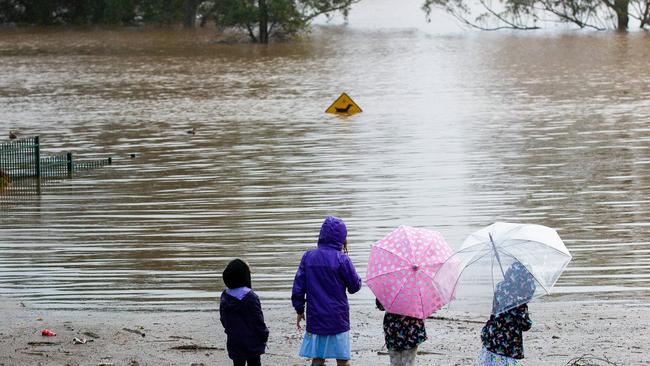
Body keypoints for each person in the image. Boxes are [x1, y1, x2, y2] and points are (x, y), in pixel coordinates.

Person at [292, 216, 363, 366]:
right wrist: (357, 278)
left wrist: (299, 309)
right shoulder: (342, 259)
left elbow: (298, 287)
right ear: (342, 239)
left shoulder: (308, 257)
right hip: (338, 318)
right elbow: (354, 287)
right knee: (342, 359)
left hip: (316, 317)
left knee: (317, 358)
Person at [477, 262, 537, 366]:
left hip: (492, 338)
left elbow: (494, 310)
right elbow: (526, 325)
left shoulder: (500, 288)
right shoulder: (519, 300)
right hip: (508, 346)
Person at [219, 259, 269, 366]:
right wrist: (264, 334)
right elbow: (258, 319)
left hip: (234, 340)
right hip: (252, 341)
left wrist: (230, 331)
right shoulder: (251, 296)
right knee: (255, 363)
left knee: (237, 363)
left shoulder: (225, 295)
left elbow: (223, 319)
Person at [376, 299, 427, 366]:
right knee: (408, 361)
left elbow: (381, 306)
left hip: (393, 329)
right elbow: (425, 309)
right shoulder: (418, 291)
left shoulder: (389, 290)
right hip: (411, 331)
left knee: (394, 361)